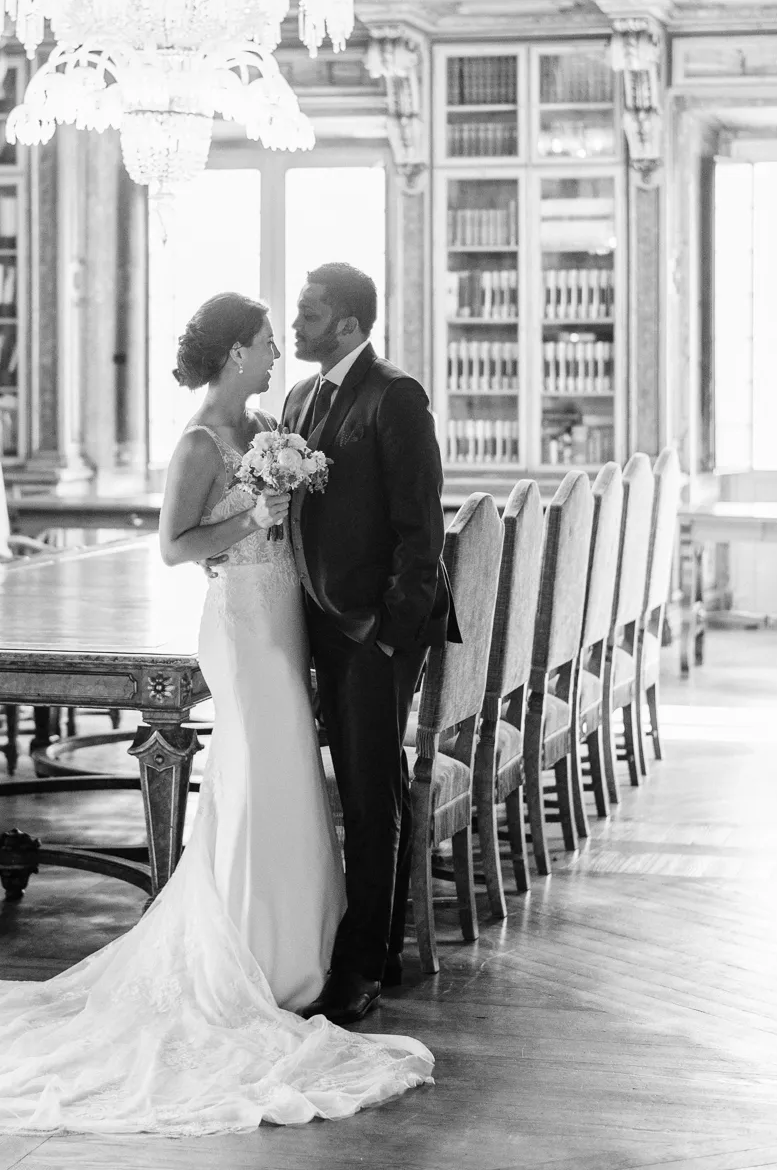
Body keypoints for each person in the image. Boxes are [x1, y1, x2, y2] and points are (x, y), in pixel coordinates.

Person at [0, 291, 433, 1136]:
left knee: (284, 782)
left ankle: (298, 948)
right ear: (236, 352)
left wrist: (277, 521)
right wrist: (254, 513)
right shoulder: (201, 441)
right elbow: (175, 547)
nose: (281, 349)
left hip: (287, 614)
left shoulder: (271, 418)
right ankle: (248, 955)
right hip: (245, 624)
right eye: (268, 340)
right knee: (254, 774)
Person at [285, 262, 458, 1027]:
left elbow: (423, 532)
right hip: (309, 625)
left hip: (372, 635)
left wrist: (391, 636)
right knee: (345, 790)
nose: (297, 326)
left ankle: (359, 969)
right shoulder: (297, 398)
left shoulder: (395, 396)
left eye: (310, 315)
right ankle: (374, 945)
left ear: (350, 325)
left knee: (368, 794)